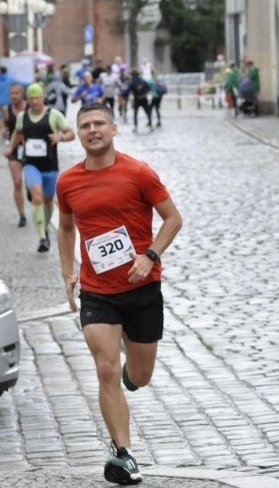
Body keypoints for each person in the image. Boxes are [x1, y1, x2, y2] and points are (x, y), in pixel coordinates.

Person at [56, 102, 182, 485]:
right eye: (84, 126)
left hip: (142, 287)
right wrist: (68, 272)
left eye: (99, 123)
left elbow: (173, 219)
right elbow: (65, 229)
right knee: (105, 368)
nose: (92, 130)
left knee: (139, 376)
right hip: (98, 292)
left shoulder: (138, 173)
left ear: (113, 128)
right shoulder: (68, 182)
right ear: (77, 134)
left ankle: (134, 372)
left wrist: (150, 255)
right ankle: (122, 454)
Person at [3, 83, 76, 252]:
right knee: (37, 198)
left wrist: (61, 137)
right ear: (27, 100)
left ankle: (45, 228)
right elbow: (18, 132)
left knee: (48, 202)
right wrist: (10, 148)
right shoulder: (23, 116)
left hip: (50, 166)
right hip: (30, 164)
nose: (35, 101)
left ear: (43, 98)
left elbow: (71, 133)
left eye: (37, 97)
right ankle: (42, 237)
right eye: (31, 98)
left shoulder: (54, 115)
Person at [3, 83, 27, 227]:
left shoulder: (30, 107)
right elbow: (5, 124)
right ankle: (22, 215)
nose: (14, 96)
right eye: (12, 93)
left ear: (22, 94)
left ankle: (31, 189)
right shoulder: (7, 109)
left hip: (31, 148)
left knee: (31, 181)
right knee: (17, 182)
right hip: (13, 149)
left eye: (17, 93)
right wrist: (4, 130)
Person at [128, 69, 152, 133]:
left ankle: (135, 126)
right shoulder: (142, 80)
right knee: (147, 112)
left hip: (137, 99)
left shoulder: (132, 82)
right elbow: (149, 88)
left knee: (135, 113)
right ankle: (150, 124)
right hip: (144, 98)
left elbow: (128, 90)